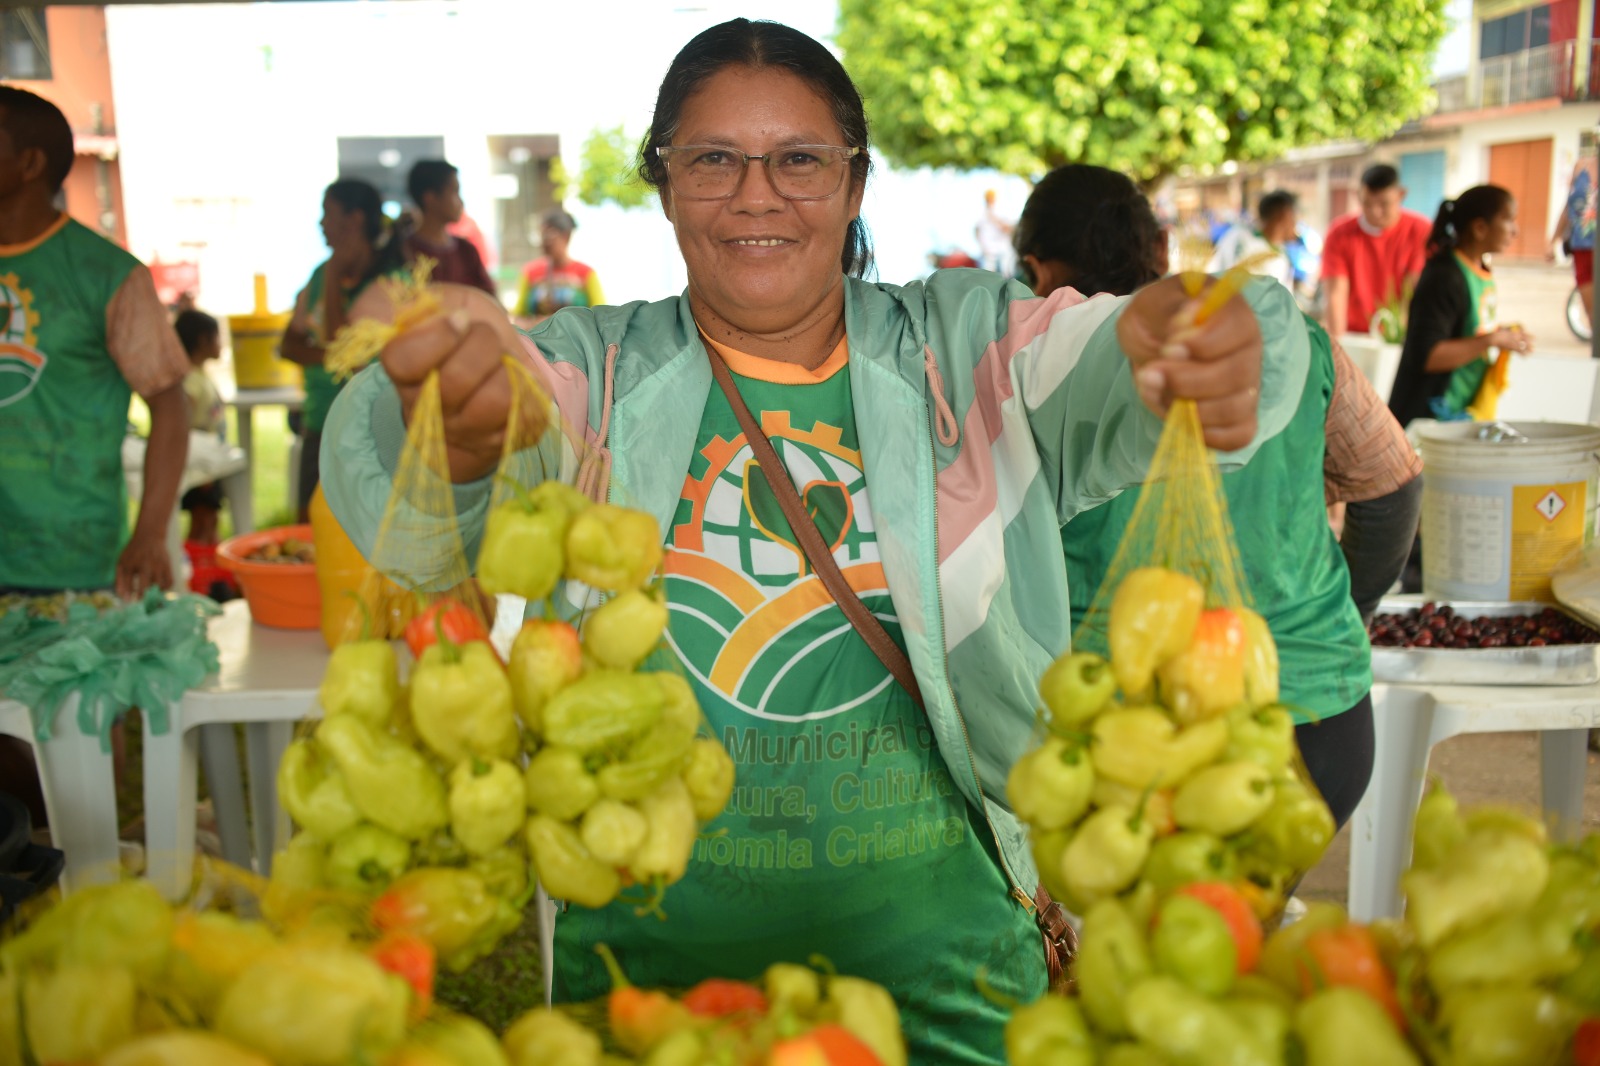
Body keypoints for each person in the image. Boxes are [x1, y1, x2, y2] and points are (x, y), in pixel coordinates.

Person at [323, 19, 1306, 1063]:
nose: (757, 194)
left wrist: (1198, 334)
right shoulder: (594, 371)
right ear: (662, 183)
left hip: (953, 989)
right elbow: (413, 480)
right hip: (644, 993)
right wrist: (453, 410)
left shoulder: (964, 347)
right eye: (711, 160)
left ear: (852, 182)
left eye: (799, 160)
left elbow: (1106, 352)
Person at [1016, 163, 1421, 831]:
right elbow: (1394, 487)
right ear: (1160, 250)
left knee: (1144, 929)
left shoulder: (1017, 373)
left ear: (1036, 268)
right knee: (1231, 927)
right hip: (1312, 716)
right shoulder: (1297, 343)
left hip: (1118, 741)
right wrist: (1340, 615)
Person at [0, 85, 189, 598]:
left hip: (73, 565)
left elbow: (170, 406)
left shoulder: (106, 274)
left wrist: (150, 534)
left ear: (30, 163)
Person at [280, 178, 405, 521]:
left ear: (355, 220)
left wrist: (335, 271)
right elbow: (289, 344)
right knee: (311, 529)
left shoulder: (390, 284)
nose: (321, 224)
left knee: (367, 530)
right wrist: (332, 357)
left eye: (327, 214)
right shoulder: (320, 275)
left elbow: (341, 348)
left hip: (372, 429)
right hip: (320, 421)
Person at [1388, 185, 1533, 429]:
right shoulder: (1444, 277)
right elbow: (1428, 356)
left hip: (1460, 416)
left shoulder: (1478, 271)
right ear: (1479, 228)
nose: (1514, 231)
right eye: (1508, 220)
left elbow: (1467, 330)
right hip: (1426, 420)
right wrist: (1492, 340)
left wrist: (1501, 335)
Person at [1320, 163, 1432, 338]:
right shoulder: (1339, 233)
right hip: (1354, 335)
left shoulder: (1421, 231)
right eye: (1367, 203)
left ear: (1401, 195)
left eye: (1384, 204)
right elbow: (1336, 294)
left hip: (1401, 336)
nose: (1375, 212)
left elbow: (1412, 291)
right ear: (1358, 196)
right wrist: (1336, 345)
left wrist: (1401, 339)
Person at [404, 159, 494, 294]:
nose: (461, 201)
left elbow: (489, 299)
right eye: (454, 192)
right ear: (430, 198)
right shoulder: (404, 252)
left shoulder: (466, 250)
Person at [175, 309, 226, 545]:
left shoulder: (199, 374)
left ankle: (210, 565)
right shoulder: (189, 380)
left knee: (211, 519)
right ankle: (196, 565)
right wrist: (199, 465)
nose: (221, 344)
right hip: (199, 461)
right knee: (202, 520)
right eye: (217, 337)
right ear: (202, 340)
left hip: (209, 460)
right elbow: (180, 421)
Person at [513, 208, 603, 327]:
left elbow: (601, 316)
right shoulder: (530, 272)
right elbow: (518, 317)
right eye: (541, 236)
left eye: (549, 236)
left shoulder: (585, 274)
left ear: (566, 237)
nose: (544, 242)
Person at [1209, 189, 1299, 293]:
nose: (1295, 223)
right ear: (1283, 215)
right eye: (1293, 216)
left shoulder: (1281, 254)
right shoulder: (1243, 240)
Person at [1550, 152, 1597, 333]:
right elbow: (1569, 205)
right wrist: (1555, 238)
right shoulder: (1581, 166)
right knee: (1593, 314)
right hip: (1583, 246)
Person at [974, 187, 1015, 276]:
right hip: (989, 249)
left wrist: (995, 220)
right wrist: (982, 246)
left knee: (1006, 273)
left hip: (1003, 249)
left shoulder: (1002, 210)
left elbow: (1008, 228)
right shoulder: (981, 212)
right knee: (988, 274)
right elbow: (976, 230)